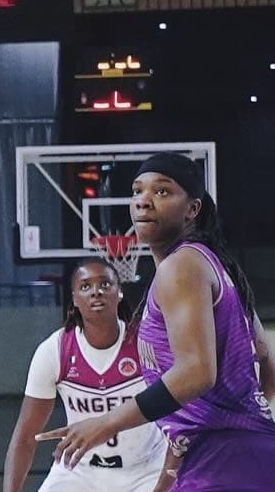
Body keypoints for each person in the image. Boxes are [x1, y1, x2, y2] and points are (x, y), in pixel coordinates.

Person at [39, 152, 275, 491]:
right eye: (137, 191)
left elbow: (196, 373)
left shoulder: (181, 266)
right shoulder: (213, 267)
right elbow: (265, 357)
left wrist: (106, 423)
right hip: (235, 458)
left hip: (225, 463)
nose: (144, 202)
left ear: (193, 208)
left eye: (162, 192)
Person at [3, 258, 165, 492]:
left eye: (105, 284)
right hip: (80, 470)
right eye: (85, 286)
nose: (96, 292)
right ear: (74, 299)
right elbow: (26, 436)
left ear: (119, 293)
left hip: (145, 468)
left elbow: (179, 406)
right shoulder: (54, 350)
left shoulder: (145, 343)